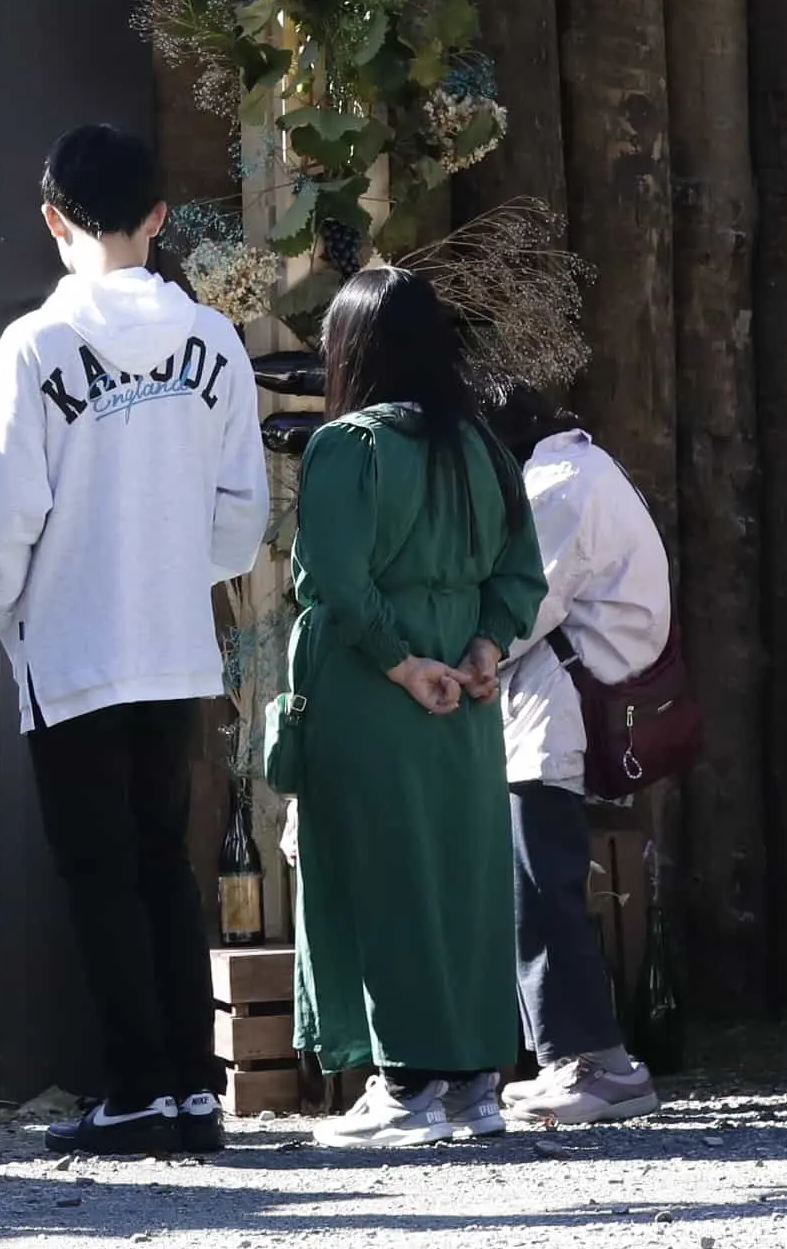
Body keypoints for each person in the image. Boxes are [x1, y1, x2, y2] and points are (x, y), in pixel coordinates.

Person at [0, 123, 269, 1158]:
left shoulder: (38, 345)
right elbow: (239, 514)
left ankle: (135, 1086)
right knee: (160, 865)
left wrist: (12, 610)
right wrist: (177, 569)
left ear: (53, 220)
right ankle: (187, 1085)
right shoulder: (213, 342)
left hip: (74, 645)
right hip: (176, 644)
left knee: (98, 874)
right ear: (160, 219)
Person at [279, 267, 546, 1142]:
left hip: (372, 695)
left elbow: (332, 581)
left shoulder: (346, 447)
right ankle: (476, 1085)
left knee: (377, 877)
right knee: (463, 879)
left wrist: (402, 666)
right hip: (466, 701)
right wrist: (481, 649)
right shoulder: (484, 447)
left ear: (352, 352)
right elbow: (521, 576)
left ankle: (402, 1088)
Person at [480, 377, 673, 1128]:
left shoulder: (555, 489)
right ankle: (572, 1057)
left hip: (557, 710)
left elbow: (519, 612)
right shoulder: (582, 468)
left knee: (542, 888)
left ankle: (601, 1064)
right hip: (565, 700)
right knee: (542, 884)